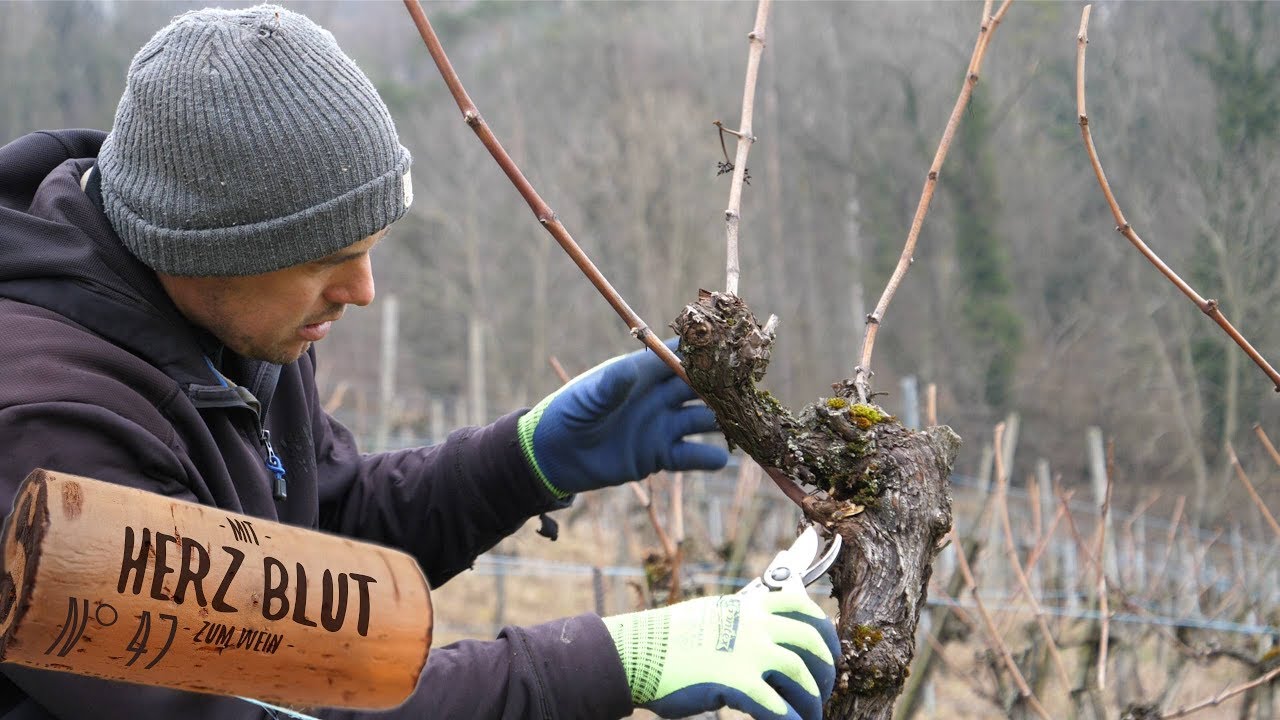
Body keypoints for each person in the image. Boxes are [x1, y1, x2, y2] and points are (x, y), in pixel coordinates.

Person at [0, 5, 839, 720]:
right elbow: (282, 691)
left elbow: (311, 541)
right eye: (328, 257)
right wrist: (612, 661)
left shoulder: (232, 324)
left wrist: (522, 461)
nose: (362, 290)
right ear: (204, 244)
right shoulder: (46, 437)